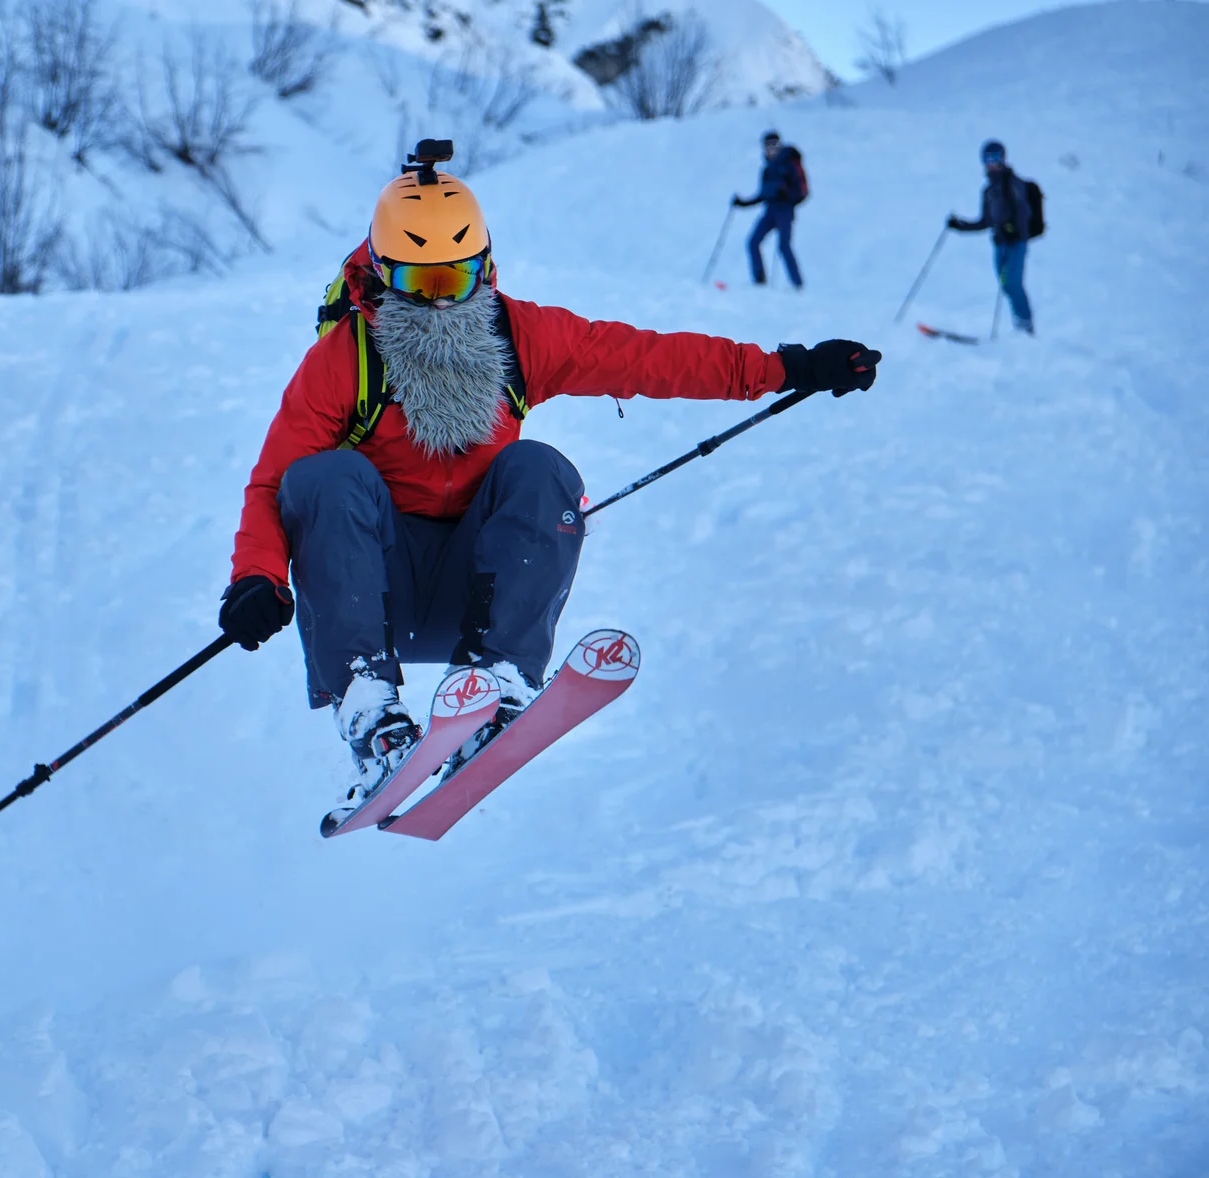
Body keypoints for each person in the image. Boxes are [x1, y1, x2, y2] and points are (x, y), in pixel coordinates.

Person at [216, 152, 881, 822]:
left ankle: (494, 688)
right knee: (327, 476)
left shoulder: (521, 336)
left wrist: (787, 368)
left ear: (485, 267)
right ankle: (372, 718)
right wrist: (256, 578)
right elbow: (273, 483)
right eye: (421, 280)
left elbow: (649, 358)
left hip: (478, 594)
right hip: (372, 601)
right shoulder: (344, 358)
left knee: (540, 468)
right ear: (384, 275)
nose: (443, 298)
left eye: (458, 275)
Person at [948, 139, 1034, 334]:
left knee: (1012, 283)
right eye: (987, 159)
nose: (991, 163)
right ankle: (1020, 325)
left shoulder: (1013, 183)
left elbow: (1023, 212)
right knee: (1006, 285)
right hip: (999, 244)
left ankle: (1025, 326)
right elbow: (985, 221)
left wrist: (1015, 232)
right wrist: (960, 225)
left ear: (1002, 159)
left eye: (995, 158)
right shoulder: (989, 191)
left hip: (1015, 244)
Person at [734, 130, 807, 289]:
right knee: (753, 242)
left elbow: (802, 192)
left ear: (779, 145)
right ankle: (759, 282)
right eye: (767, 146)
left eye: (774, 145)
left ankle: (797, 284)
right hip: (770, 211)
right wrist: (742, 203)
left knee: (783, 247)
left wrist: (786, 194)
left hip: (785, 211)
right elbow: (762, 195)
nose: (770, 148)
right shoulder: (767, 169)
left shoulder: (789, 164)